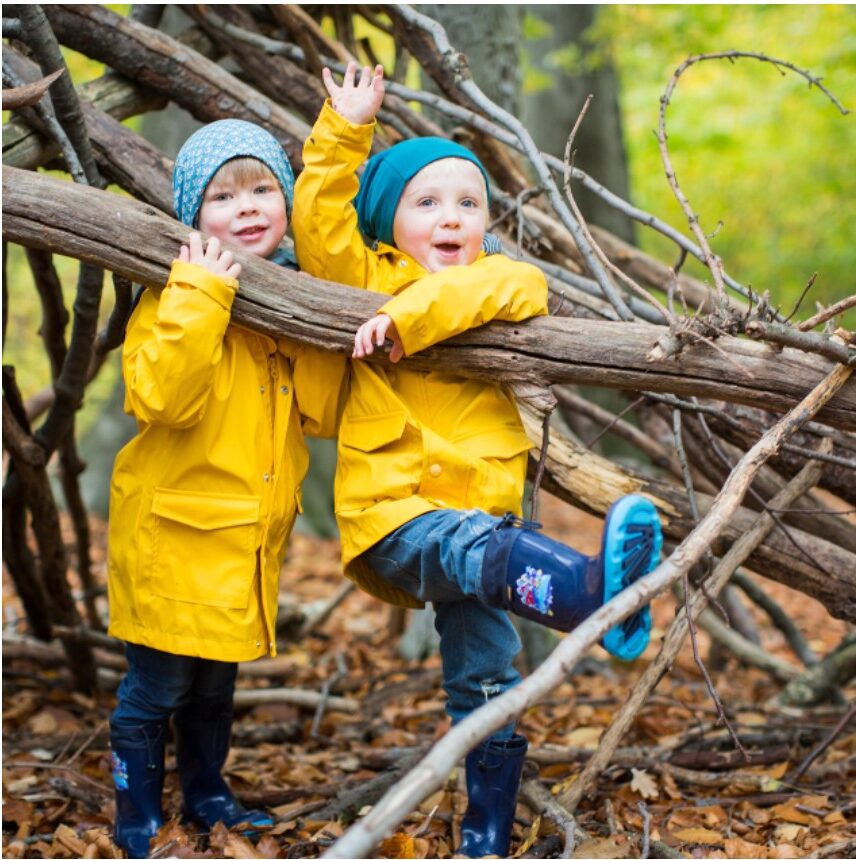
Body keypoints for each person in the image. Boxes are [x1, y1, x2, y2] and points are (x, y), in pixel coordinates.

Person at [292, 63, 663, 858]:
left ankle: (486, 831)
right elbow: (319, 227)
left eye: (468, 203)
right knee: (468, 555)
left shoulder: (504, 280)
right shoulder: (363, 277)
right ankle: (592, 594)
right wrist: (343, 131)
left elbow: (499, 289)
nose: (451, 218)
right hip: (399, 517)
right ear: (388, 221)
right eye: (426, 203)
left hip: (488, 533)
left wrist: (406, 321)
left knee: (488, 679)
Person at [106, 119, 345, 857]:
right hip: (174, 541)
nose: (246, 206)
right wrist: (201, 292)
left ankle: (208, 791)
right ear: (191, 218)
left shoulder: (283, 311)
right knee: (156, 688)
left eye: (263, 188)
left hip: (242, 546)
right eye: (222, 195)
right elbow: (162, 399)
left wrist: (318, 316)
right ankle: (137, 810)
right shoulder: (175, 297)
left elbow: (324, 411)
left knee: (213, 688)